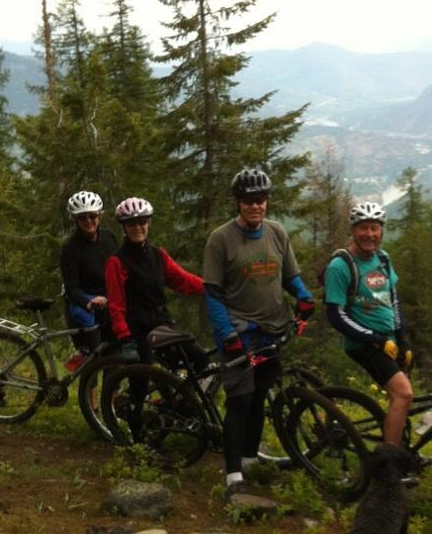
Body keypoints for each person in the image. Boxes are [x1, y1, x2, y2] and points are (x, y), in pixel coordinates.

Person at [203, 168, 315, 497]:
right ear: (238, 203)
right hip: (240, 333)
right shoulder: (220, 239)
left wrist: (304, 297)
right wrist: (227, 336)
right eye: (249, 201)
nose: (256, 206)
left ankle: (250, 460)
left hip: (273, 331)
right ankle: (233, 474)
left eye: (261, 200)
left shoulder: (277, 233)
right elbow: (212, 294)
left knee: (257, 400)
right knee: (239, 402)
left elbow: (290, 276)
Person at [324, 201, 413, 446]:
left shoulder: (383, 259)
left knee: (401, 398)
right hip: (362, 343)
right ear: (353, 230)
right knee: (403, 394)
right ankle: (389, 466)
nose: (369, 234)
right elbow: (336, 315)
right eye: (363, 228)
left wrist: (402, 340)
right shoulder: (340, 266)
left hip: (389, 341)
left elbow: (393, 301)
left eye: (375, 228)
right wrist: (375, 339)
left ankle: (403, 451)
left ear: (381, 231)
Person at [104, 197, 204, 365]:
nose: (137, 228)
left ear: (148, 222)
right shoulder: (116, 262)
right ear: (124, 227)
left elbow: (183, 280)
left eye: (141, 222)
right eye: (131, 224)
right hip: (136, 330)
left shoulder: (158, 255)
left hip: (161, 324)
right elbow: (116, 305)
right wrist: (124, 336)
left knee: (198, 357)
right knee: (141, 381)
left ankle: (182, 391)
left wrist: (212, 287)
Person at [59, 190, 117, 372]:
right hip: (83, 305)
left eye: (92, 216)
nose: (88, 221)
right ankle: (88, 400)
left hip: (109, 302)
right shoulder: (70, 249)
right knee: (93, 359)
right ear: (75, 219)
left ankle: (110, 401)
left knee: (113, 357)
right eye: (82, 217)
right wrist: (88, 302)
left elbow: (119, 269)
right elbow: (72, 287)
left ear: (100, 215)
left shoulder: (109, 238)